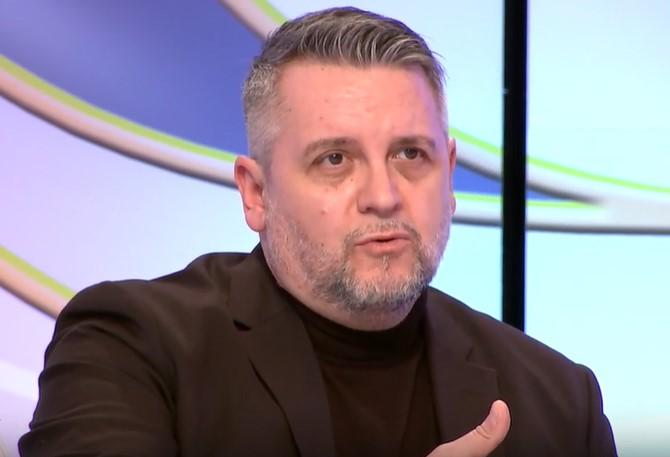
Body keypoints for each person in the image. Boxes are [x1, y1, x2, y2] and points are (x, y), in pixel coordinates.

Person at [20, 7, 617, 457]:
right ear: (256, 193)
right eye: (335, 159)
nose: (383, 195)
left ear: (451, 174)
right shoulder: (131, 347)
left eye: (410, 154)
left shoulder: (559, 401)